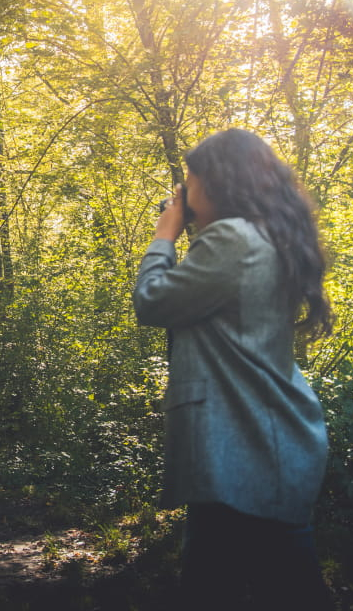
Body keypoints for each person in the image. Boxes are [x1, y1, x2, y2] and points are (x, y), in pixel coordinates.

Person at [133, 129, 332, 611]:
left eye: (189, 180)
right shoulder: (273, 236)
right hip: (268, 440)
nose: (184, 191)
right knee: (273, 585)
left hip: (242, 446)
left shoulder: (232, 238)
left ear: (214, 183)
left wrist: (165, 234)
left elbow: (154, 301)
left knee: (220, 588)